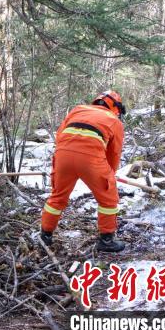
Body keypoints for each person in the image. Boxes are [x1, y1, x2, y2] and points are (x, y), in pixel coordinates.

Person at [40, 91, 127, 252]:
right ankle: (106, 240)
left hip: (63, 154)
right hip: (91, 159)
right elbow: (114, 153)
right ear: (115, 107)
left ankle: (45, 236)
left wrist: (65, 156)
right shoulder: (114, 120)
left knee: (57, 196)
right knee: (108, 198)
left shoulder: (78, 109)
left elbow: (60, 135)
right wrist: (109, 176)